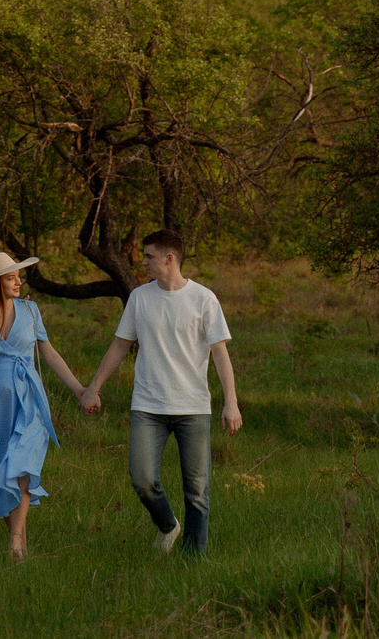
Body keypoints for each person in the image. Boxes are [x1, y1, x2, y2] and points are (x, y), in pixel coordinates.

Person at [78, 230, 241, 555]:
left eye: (149, 256)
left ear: (170, 259)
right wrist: (93, 388)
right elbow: (120, 345)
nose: (143, 261)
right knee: (142, 479)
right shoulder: (140, 298)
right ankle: (168, 525)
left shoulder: (203, 299)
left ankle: (193, 560)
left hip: (193, 408)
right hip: (148, 407)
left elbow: (220, 352)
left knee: (197, 490)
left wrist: (231, 403)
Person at [0, 251, 91, 562]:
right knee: (1, 473)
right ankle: (20, 546)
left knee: (22, 466)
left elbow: (50, 354)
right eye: (11, 277)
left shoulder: (30, 311)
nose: (19, 281)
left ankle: (15, 539)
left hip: (29, 400)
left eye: (18, 276)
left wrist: (80, 390)